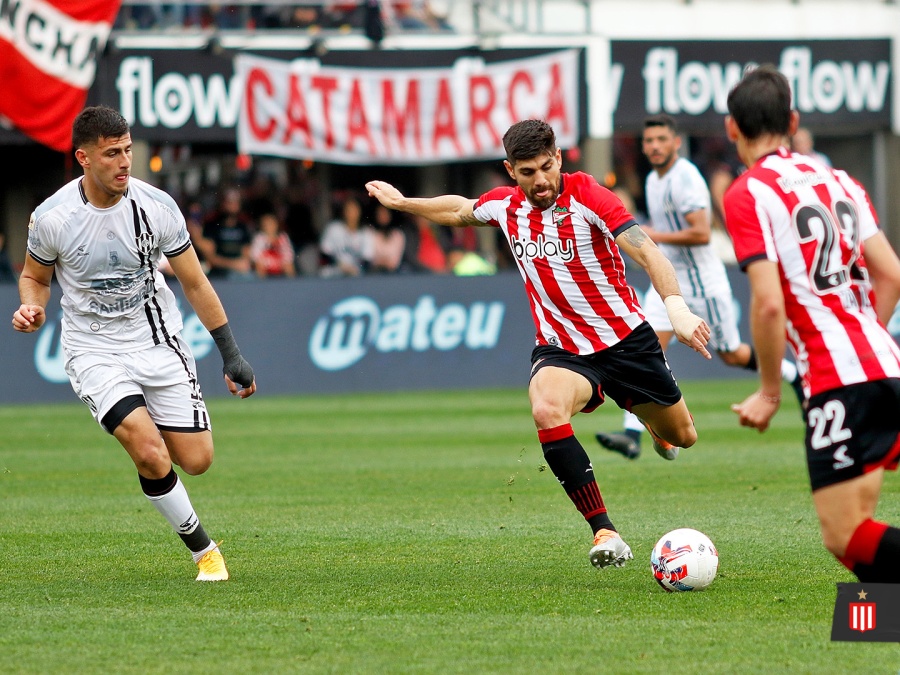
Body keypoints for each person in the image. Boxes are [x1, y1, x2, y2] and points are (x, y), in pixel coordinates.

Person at [366, 119, 711, 571]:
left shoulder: (590, 196)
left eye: (546, 167)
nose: (540, 180)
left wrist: (678, 313)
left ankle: (653, 426)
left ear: (560, 159)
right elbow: (459, 209)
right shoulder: (506, 207)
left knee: (682, 436)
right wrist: (403, 202)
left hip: (625, 341)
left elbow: (649, 253)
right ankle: (604, 530)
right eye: (527, 172)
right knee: (546, 408)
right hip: (561, 349)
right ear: (511, 170)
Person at [11, 105, 257, 582]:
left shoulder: (157, 206)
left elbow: (195, 283)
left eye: (127, 151)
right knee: (148, 451)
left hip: (157, 338)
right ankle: (204, 551)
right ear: (83, 158)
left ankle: (155, 447)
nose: (124, 163)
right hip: (93, 346)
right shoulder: (52, 218)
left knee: (198, 460)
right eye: (111, 154)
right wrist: (31, 306)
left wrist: (231, 352)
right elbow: (33, 277)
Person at [724, 65, 900, 582]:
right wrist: (864, 334)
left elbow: (769, 304)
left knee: (843, 534)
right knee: (858, 533)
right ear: (794, 120)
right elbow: (890, 274)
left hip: (837, 382)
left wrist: (770, 391)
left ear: (732, 128)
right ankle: (875, 632)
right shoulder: (841, 180)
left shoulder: (747, 193)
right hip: (886, 361)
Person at [596, 114, 804, 460]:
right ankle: (637, 433)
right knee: (644, 347)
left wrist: (651, 235)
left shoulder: (686, 178)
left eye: (662, 139)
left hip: (703, 285)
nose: (655, 146)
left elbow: (702, 232)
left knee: (732, 353)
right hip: (668, 283)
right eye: (649, 141)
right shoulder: (653, 180)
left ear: (676, 143)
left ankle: (793, 374)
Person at [197, 187, 255, 280]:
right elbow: (210, 258)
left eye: (235, 202)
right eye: (229, 202)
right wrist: (233, 264)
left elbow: (246, 254)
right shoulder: (212, 225)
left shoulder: (243, 226)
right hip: (219, 273)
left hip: (241, 272)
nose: (232, 206)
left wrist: (241, 264)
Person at [250, 212, 296, 278]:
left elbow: (288, 254)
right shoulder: (259, 238)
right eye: (267, 224)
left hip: (280, 263)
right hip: (265, 263)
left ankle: (292, 284)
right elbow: (255, 254)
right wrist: (266, 261)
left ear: (276, 224)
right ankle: (262, 285)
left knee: (289, 265)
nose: (270, 226)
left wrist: (283, 261)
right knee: (259, 265)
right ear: (263, 226)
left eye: (272, 224)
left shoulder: (283, 237)